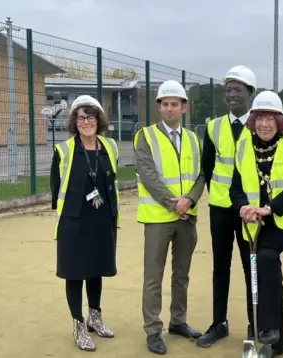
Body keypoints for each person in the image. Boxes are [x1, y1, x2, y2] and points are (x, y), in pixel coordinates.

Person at [230, 90, 283, 356]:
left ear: (280, 121)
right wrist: (243, 207)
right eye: (259, 118)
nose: (264, 124)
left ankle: (267, 328)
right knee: (266, 275)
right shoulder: (243, 144)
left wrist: (269, 209)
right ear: (253, 121)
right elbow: (235, 187)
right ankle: (277, 341)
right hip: (253, 223)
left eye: (270, 118)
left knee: (265, 260)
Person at [133, 80, 205, 355]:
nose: (169, 108)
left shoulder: (193, 139)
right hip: (158, 217)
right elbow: (147, 173)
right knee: (154, 276)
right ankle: (153, 330)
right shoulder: (145, 136)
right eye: (165, 104)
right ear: (159, 107)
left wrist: (190, 200)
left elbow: (201, 175)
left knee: (182, 274)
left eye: (175, 104)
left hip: (187, 216)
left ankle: (178, 322)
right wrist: (172, 203)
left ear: (184, 107)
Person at [50, 95, 121, 352]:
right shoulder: (64, 150)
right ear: (74, 121)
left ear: (98, 119)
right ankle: (78, 325)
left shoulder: (109, 146)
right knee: (74, 272)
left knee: (95, 269)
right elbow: (55, 188)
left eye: (91, 117)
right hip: (73, 220)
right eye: (81, 117)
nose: (86, 122)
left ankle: (95, 316)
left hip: (102, 218)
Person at [197, 65, 258, 348]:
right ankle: (218, 322)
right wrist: (220, 196)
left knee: (251, 267)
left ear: (250, 93)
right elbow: (208, 167)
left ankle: (254, 323)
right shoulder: (213, 126)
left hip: (250, 211)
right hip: (220, 208)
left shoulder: (261, 125)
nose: (232, 95)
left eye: (238, 90)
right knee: (220, 266)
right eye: (228, 90)